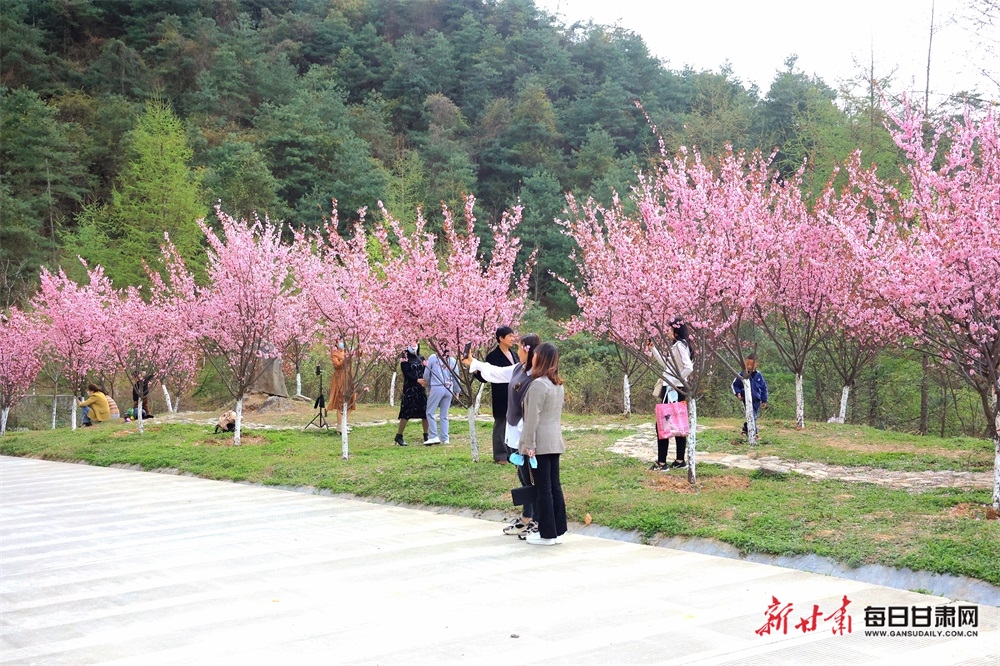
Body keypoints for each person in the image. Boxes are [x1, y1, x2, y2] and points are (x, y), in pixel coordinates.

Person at [463, 333, 541, 538]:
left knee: (531, 478)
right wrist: (473, 362)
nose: (517, 350)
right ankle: (527, 517)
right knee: (522, 475)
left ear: (529, 350)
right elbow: (495, 373)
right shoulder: (518, 368)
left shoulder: (537, 375)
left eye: (521, 347)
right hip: (515, 431)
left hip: (528, 433)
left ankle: (535, 520)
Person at [518, 342, 567, 546]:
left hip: (539, 442)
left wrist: (528, 444)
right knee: (554, 486)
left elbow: (532, 418)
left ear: (542, 358)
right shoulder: (557, 384)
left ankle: (547, 533)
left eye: (536, 355)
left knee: (543, 489)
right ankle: (557, 529)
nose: (533, 357)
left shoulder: (539, 384)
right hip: (554, 440)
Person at [650, 318, 694, 470]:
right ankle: (680, 460)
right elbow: (667, 365)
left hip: (672, 390)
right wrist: (653, 350)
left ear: (676, 331)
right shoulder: (680, 345)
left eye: (670, 329)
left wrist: (675, 383)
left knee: (663, 424)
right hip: (675, 389)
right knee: (678, 423)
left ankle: (662, 463)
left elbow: (688, 367)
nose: (668, 332)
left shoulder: (680, 346)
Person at [473, 326, 517, 463]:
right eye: (509, 336)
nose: (512, 339)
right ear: (501, 338)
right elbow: (487, 375)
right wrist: (476, 371)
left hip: (515, 394)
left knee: (513, 424)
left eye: (513, 336)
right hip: (501, 394)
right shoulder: (493, 356)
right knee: (500, 423)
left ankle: (512, 454)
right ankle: (500, 455)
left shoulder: (514, 354)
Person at [423, 346, 460, 445]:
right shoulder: (452, 360)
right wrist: (457, 391)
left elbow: (427, 374)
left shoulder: (433, 358)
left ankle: (434, 436)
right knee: (444, 415)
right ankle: (445, 438)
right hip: (449, 388)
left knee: (430, 412)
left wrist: (427, 384)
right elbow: (457, 377)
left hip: (437, 386)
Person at [394, 345, 429, 446]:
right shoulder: (404, 359)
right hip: (410, 388)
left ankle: (426, 435)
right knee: (406, 412)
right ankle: (399, 435)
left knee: (425, 412)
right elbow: (406, 373)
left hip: (420, 389)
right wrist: (417, 380)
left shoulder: (421, 358)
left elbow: (425, 371)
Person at [733, 353, 768, 437]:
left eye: (751, 365)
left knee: (752, 415)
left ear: (756, 365)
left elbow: (764, 388)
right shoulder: (742, 374)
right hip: (746, 398)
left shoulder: (759, 375)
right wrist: (738, 393)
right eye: (747, 364)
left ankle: (746, 430)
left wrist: (764, 400)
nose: (748, 366)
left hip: (756, 399)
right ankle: (754, 433)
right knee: (752, 415)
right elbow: (735, 385)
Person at [329, 342, 356, 427]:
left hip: (348, 377)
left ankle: (343, 423)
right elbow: (337, 365)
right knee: (341, 402)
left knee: (351, 401)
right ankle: (340, 426)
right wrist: (345, 359)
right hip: (340, 378)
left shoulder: (346, 352)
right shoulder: (334, 353)